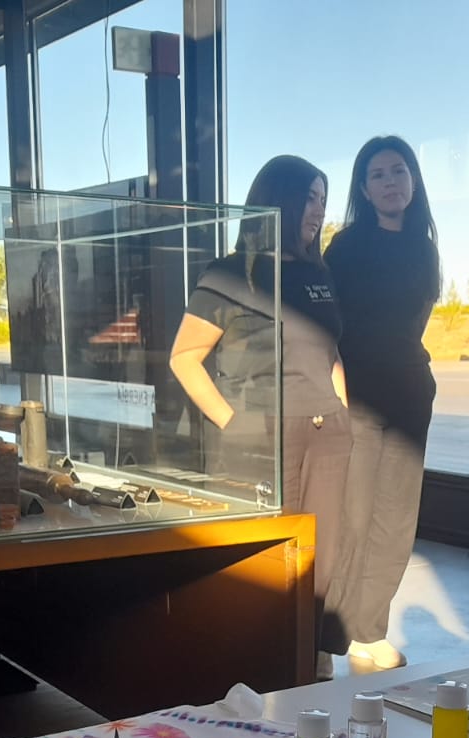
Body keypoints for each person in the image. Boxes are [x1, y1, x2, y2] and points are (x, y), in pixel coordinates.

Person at [169, 155, 352, 674]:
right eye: (309, 198)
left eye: (323, 198)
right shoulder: (230, 273)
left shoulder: (319, 273)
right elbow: (184, 358)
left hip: (328, 432)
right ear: (279, 200)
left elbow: (332, 352)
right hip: (267, 434)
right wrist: (234, 423)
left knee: (325, 558)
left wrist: (344, 411)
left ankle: (312, 663)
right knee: (273, 562)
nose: (318, 210)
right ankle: (268, 667)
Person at [323, 135, 441, 672]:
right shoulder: (346, 248)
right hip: (359, 402)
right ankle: (328, 636)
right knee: (351, 520)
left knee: (395, 522)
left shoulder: (424, 245)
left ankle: (368, 633)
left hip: (410, 399)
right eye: (379, 175)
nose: (391, 182)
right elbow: (328, 329)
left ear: (413, 180)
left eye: (399, 171)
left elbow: (413, 324)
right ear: (364, 190)